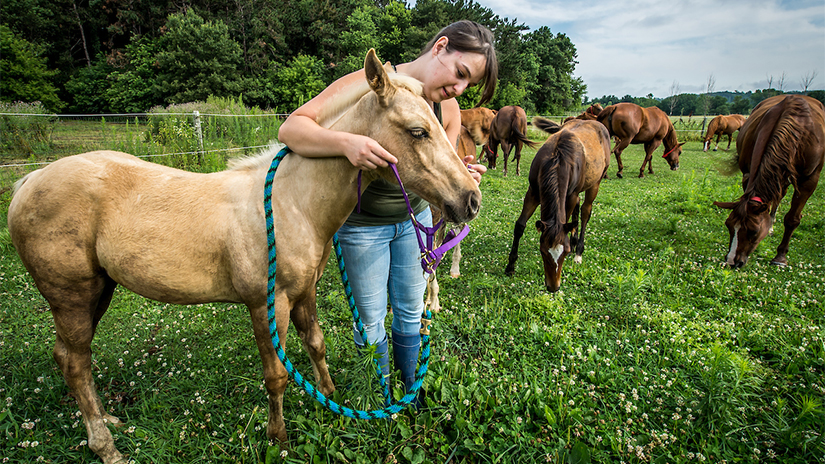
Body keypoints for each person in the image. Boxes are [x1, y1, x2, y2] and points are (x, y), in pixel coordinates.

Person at [278, 20, 497, 406]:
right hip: (364, 226)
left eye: (469, 85)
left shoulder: (447, 107)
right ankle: (377, 391)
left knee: (412, 308)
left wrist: (463, 172)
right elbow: (292, 129)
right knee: (371, 318)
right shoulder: (370, 84)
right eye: (460, 73)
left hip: (414, 222)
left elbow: (438, 161)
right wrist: (347, 143)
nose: (459, 88)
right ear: (440, 47)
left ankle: (408, 386)